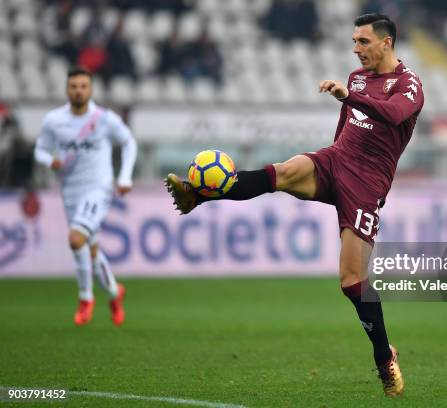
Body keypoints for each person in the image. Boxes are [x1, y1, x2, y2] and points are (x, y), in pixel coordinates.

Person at [165, 13, 424, 397]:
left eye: (364, 42)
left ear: (386, 43)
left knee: (352, 282)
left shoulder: (409, 85)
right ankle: (198, 195)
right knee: (282, 172)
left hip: (367, 184)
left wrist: (349, 96)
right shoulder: (356, 78)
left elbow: (393, 115)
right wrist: (334, 150)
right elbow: (347, 120)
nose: (356, 49)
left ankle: (384, 356)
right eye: (354, 41)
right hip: (336, 160)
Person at [34, 66, 138, 326]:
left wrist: (124, 177)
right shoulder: (54, 120)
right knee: (89, 248)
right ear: (67, 89)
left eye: (83, 86)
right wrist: (51, 160)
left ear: (91, 90)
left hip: (98, 187)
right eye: (74, 86)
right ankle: (114, 292)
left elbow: (129, 142)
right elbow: (40, 150)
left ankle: (85, 298)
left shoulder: (103, 119)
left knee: (76, 237)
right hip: (69, 189)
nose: (78, 91)